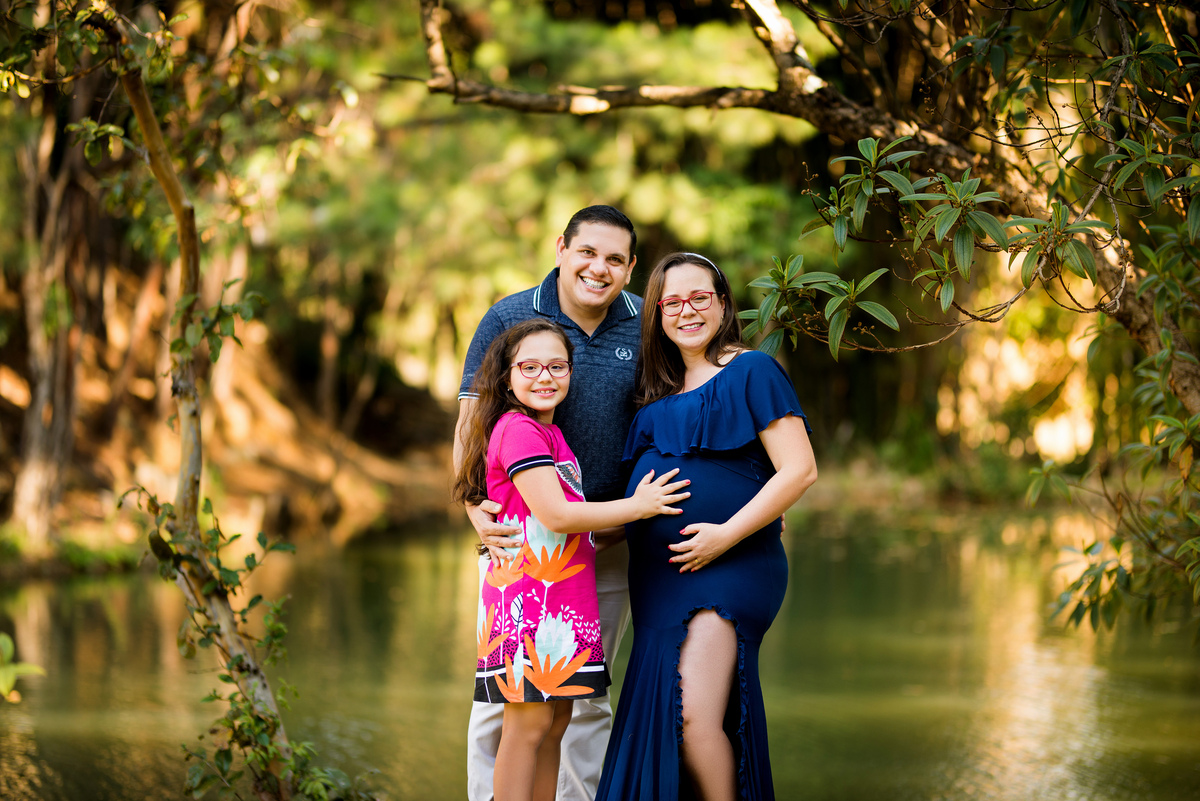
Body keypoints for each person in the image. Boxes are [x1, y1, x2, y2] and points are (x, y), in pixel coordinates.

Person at [595, 252, 818, 801]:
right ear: (657, 314)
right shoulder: (652, 402)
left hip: (731, 565)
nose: (687, 311)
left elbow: (799, 470)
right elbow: (634, 507)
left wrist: (724, 535)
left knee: (694, 716)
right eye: (672, 302)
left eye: (700, 297)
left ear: (722, 303)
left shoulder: (752, 370)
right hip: (659, 580)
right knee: (669, 722)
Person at [452, 319, 690, 801]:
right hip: (527, 603)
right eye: (530, 367)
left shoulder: (551, 434)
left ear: (570, 372)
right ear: (507, 376)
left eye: (557, 366)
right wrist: (640, 506)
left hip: (562, 599)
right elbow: (557, 515)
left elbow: (562, 525)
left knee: (556, 720)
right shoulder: (518, 430)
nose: (545, 377)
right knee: (528, 725)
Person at [455, 206, 646, 801]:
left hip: (601, 547)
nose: (599, 268)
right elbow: (470, 421)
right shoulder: (508, 317)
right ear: (562, 248)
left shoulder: (647, 322)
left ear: (630, 266)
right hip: (525, 552)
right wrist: (472, 506)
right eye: (587, 252)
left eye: (615, 258)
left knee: (581, 701)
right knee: (506, 708)